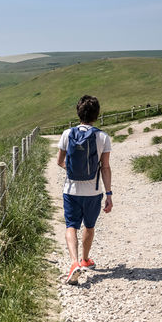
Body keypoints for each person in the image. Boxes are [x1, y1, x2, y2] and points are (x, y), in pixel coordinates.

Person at [57, 95, 113, 285]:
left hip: (70, 190)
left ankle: (74, 263)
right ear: (96, 115)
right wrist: (109, 194)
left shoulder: (67, 134)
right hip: (93, 192)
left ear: (78, 113)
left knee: (71, 225)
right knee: (89, 226)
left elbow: (59, 161)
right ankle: (85, 259)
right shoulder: (103, 137)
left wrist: (72, 171)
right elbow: (105, 167)